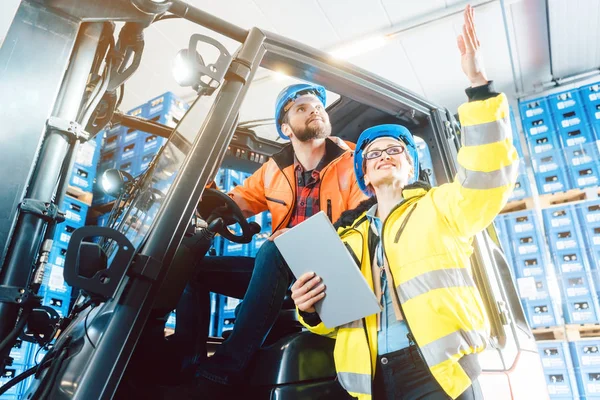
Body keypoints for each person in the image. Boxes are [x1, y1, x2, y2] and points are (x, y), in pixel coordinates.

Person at [291, 5, 519, 400]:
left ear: (410, 164)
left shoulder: (440, 207)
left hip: (434, 372)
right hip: (369, 382)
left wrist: (479, 86)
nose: (383, 156)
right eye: (373, 153)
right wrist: (307, 309)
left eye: (393, 149)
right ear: (363, 172)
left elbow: (488, 176)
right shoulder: (348, 236)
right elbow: (335, 321)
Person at [168, 82, 367, 397]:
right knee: (190, 267)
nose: (314, 109)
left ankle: (220, 374)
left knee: (274, 248)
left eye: (317, 105)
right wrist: (198, 188)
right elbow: (233, 202)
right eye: (302, 107)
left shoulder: (354, 160)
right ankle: (186, 365)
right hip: (283, 272)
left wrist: (305, 238)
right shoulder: (274, 169)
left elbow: (363, 226)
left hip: (334, 270)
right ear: (286, 127)